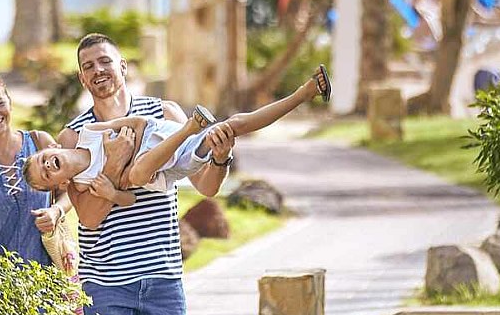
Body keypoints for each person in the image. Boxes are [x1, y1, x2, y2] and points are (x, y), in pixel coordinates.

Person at [51, 33, 235, 315]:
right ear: (82, 78)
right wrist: (115, 163)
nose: (98, 70)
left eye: (105, 61)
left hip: (162, 275)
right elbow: (89, 217)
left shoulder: (165, 114)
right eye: (88, 66)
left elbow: (206, 186)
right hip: (105, 283)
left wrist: (221, 157)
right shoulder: (73, 137)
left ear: (123, 66)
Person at [26, 66, 329, 229]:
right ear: (61, 184)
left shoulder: (90, 131)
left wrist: (127, 150)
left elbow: (138, 123)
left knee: (235, 124)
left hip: (162, 135)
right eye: (46, 175)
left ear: (52, 147)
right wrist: (112, 191)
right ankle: (192, 128)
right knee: (138, 174)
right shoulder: (86, 184)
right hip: (170, 166)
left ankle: (304, 93)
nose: (47, 166)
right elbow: (128, 197)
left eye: (43, 160)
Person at [0, 70, 134, 271]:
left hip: (46, 281)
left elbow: (71, 190)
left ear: (9, 102)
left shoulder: (40, 143)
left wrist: (56, 211)